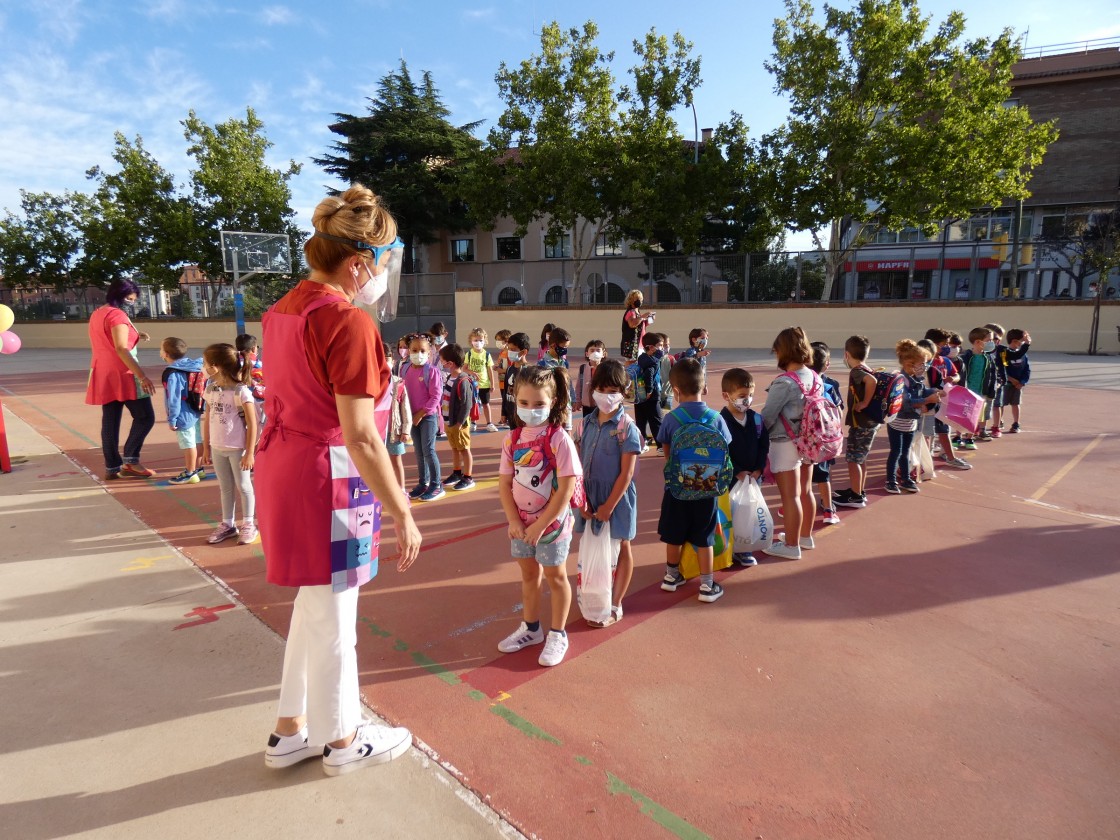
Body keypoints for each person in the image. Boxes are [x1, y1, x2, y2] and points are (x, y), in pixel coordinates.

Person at [255, 184, 421, 777]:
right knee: (337, 618)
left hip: (285, 465)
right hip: (328, 477)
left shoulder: (283, 309)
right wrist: (401, 507)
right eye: (380, 262)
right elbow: (361, 435)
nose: (380, 275)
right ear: (358, 263)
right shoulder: (347, 323)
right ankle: (345, 741)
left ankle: (289, 729)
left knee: (314, 604)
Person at [496, 365, 582, 667]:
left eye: (539, 404)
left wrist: (542, 525)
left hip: (553, 526)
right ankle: (531, 629)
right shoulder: (512, 440)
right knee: (529, 575)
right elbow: (505, 485)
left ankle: (558, 633)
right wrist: (514, 521)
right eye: (524, 403)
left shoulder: (559, 439)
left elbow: (566, 487)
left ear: (554, 401)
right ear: (514, 400)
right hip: (522, 526)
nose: (531, 410)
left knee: (557, 577)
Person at [657, 358, 732, 602]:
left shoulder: (671, 419)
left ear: (676, 391)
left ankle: (671, 576)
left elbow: (667, 455)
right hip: (707, 488)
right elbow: (725, 452)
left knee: (673, 534)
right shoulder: (716, 418)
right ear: (705, 388)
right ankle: (707, 586)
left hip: (677, 488)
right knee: (705, 537)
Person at [574, 359, 640, 627]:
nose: (606, 395)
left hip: (617, 498)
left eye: (613, 389)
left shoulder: (627, 428)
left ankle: (615, 602)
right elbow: (576, 468)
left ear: (624, 391)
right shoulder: (583, 425)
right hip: (589, 497)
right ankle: (593, 596)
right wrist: (580, 502)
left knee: (622, 545)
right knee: (594, 546)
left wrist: (609, 506)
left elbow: (626, 474)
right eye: (600, 388)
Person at [85, 279, 157, 480]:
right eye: (130, 299)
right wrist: (142, 375)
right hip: (122, 372)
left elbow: (109, 339)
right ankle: (131, 460)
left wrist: (135, 334)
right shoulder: (117, 315)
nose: (132, 303)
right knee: (145, 417)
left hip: (102, 371)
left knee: (110, 419)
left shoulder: (98, 313)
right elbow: (120, 348)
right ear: (120, 295)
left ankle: (112, 466)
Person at [760, 327, 818, 560]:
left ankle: (791, 545)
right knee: (805, 491)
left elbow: (767, 416)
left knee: (790, 496)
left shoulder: (785, 382)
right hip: (810, 440)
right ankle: (804, 536)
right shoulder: (814, 376)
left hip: (786, 442)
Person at [200, 343, 260, 545]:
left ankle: (249, 523)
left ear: (215, 367)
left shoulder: (241, 392)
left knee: (244, 486)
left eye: (205, 363)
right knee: (225, 487)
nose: (203, 366)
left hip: (237, 449)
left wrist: (249, 453)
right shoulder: (210, 389)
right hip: (218, 448)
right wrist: (206, 448)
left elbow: (252, 424)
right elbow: (208, 419)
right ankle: (228, 524)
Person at [719, 368, 769, 565]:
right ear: (726, 396)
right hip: (731, 479)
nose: (746, 400)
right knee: (729, 513)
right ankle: (727, 548)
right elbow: (722, 451)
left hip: (753, 478)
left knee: (748, 513)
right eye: (741, 396)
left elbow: (764, 445)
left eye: (749, 395)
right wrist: (736, 471)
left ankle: (743, 548)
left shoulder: (756, 420)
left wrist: (758, 469)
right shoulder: (720, 421)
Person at [884, 340, 942, 494]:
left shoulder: (917, 379)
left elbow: (922, 391)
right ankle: (890, 480)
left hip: (910, 422)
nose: (925, 367)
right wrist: (927, 400)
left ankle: (905, 478)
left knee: (906, 451)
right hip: (898, 422)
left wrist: (933, 391)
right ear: (909, 364)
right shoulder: (901, 380)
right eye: (922, 363)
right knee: (896, 451)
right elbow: (905, 402)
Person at [832, 335, 880, 508]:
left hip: (861, 423)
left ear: (847, 354)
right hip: (869, 422)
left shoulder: (858, 371)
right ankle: (858, 489)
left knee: (852, 459)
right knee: (861, 458)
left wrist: (865, 402)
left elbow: (872, 382)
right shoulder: (867, 368)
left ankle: (856, 496)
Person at [403, 332, 445, 502]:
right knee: (419, 452)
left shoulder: (432, 371)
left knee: (429, 450)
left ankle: (436, 485)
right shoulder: (405, 368)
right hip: (411, 417)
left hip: (427, 417)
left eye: (422, 350)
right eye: (414, 350)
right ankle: (423, 483)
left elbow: (436, 396)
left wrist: (421, 414)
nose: (417, 354)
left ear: (429, 353)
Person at [159, 337, 205, 485]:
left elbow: (174, 398)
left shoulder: (172, 373)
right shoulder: (192, 366)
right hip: (194, 409)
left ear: (165, 354)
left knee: (188, 443)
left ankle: (190, 473)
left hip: (182, 413)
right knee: (197, 439)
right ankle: (198, 469)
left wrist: (172, 419)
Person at [808, 342, 843, 525]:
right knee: (824, 475)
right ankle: (829, 510)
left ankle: (792, 506)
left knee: (801, 476)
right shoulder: (831, 384)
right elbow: (839, 411)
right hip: (827, 438)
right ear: (826, 364)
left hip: (808, 440)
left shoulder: (804, 383)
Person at [439, 343, 476, 490]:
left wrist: (460, 422)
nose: (441, 363)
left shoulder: (463, 380)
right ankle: (456, 472)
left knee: (464, 449)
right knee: (455, 448)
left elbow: (467, 404)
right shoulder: (449, 377)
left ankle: (468, 477)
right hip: (449, 421)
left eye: (442, 360)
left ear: (450, 363)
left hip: (459, 423)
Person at [957, 327, 996, 449]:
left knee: (975, 416)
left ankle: (969, 438)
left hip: (981, 393)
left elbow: (992, 375)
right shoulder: (966, 357)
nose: (992, 343)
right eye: (989, 340)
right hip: (966, 392)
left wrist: (991, 390)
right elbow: (960, 373)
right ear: (978, 342)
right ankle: (957, 436)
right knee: (962, 415)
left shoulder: (988, 358)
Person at [383, 340, 412, 493]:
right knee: (378, 462)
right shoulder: (370, 383)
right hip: (377, 432)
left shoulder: (398, 383)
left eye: (386, 359)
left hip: (394, 431)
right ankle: (382, 491)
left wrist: (406, 430)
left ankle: (401, 490)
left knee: (396, 460)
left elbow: (405, 408)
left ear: (392, 361)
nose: (383, 363)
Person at [634, 332, 665, 451]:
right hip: (651, 395)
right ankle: (661, 446)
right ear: (651, 347)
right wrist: (650, 390)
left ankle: (641, 443)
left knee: (641, 420)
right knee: (656, 420)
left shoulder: (641, 358)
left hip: (639, 394)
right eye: (660, 345)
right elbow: (649, 374)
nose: (662, 348)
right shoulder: (653, 361)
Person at [464, 327, 498, 432]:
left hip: (484, 384)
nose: (478, 342)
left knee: (485, 403)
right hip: (472, 384)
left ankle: (489, 423)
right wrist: (472, 373)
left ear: (485, 341)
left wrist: (492, 384)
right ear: (471, 341)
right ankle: (473, 422)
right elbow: (464, 368)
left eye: (480, 340)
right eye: (475, 340)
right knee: (473, 404)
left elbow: (490, 370)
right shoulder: (469, 354)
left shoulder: (487, 355)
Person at [1003, 328, 1032, 432]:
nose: (1023, 343)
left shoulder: (1023, 355)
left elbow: (1027, 369)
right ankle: (999, 421)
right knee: (1001, 403)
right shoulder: (1005, 353)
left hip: (1018, 385)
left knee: (1016, 404)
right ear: (1015, 340)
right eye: (1022, 340)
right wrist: (1009, 379)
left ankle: (1016, 423)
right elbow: (1003, 368)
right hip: (1006, 384)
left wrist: (1022, 382)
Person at [501, 332, 531, 429]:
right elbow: (505, 392)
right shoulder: (509, 369)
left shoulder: (528, 371)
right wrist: (503, 413)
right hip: (511, 414)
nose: (510, 352)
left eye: (513, 350)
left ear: (523, 352)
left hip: (523, 416)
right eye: (509, 349)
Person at [236, 333, 266, 427]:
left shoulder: (232, 365)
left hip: (237, 403)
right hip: (258, 404)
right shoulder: (261, 365)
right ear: (253, 348)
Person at [575, 339, 607, 420]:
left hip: (602, 405)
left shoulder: (607, 368)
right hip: (587, 405)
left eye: (598, 350)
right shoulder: (583, 368)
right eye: (592, 350)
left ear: (603, 354)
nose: (595, 353)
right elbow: (579, 386)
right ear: (587, 354)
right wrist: (578, 400)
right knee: (588, 425)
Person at [620, 290, 654, 361]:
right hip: (632, 345)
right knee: (632, 365)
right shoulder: (631, 312)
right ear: (631, 300)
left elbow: (640, 325)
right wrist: (642, 317)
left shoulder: (637, 312)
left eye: (641, 299)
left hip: (639, 344)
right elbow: (632, 324)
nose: (639, 301)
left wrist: (649, 319)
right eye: (637, 299)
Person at [493, 329, 513, 427]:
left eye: (499, 340)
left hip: (508, 381)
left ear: (506, 340)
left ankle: (508, 418)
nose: (497, 342)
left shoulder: (509, 353)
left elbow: (511, 367)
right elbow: (501, 365)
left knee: (508, 400)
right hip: (501, 381)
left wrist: (502, 371)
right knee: (504, 399)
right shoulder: (502, 353)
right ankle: (504, 418)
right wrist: (496, 367)